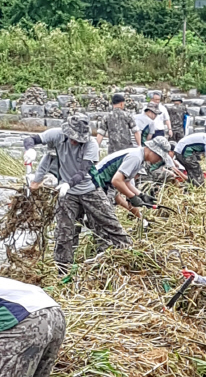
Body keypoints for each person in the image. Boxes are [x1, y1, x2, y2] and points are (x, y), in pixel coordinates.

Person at [24, 115, 131, 275]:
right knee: (64, 233)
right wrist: (30, 149)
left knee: (110, 223)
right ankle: (64, 272)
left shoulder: (91, 144)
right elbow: (31, 139)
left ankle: (129, 254)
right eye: (73, 138)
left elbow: (84, 170)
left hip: (89, 189)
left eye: (78, 140)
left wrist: (68, 184)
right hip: (67, 194)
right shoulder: (56, 135)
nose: (75, 142)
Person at [92, 137, 174, 215]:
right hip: (98, 182)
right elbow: (116, 181)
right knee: (108, 219)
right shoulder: (135, 157)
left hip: (103, 183)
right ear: (152, 151)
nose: (159, 161)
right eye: (160, 157)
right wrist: (132, 197)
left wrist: (141, 195)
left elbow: (126, 182)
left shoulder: (139, 157)